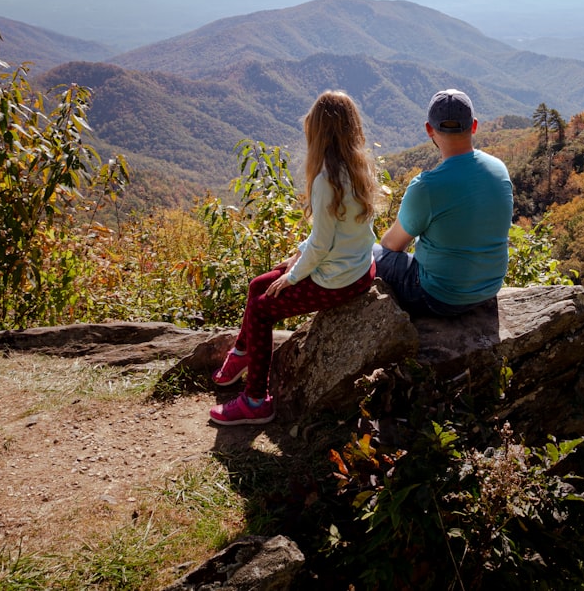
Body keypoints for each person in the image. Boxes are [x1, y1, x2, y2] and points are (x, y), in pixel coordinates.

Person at [209, 90, 380, 425]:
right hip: (360, 267)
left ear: (317, 133)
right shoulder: (358, 167)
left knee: (261, 309)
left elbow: (321, 245)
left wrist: (294, 274)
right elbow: (330, 236)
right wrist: (297, 255)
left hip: (338, 280)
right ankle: (243, 354)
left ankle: (256, 401)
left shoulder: (326, 181)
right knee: (258, 284)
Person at [373, 88, 513, 317]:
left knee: (367, 255)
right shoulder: (499, 169)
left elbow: (392, 245)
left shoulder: (427, 186)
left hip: (439, 298)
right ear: (474, 125)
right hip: (489, 289)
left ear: (429, 129)